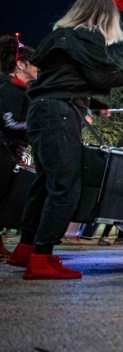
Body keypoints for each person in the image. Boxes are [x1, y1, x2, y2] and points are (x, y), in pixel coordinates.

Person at [6, 0, 123, 280]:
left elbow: (63, 82)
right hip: (58, 115)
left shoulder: (59, 38)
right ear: (104, 18)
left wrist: (94, 104)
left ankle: (26, 249)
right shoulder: (87, 37)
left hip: (42, 111)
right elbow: (104, 78)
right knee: (65, 186)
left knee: (45, 184)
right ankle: (42, 259)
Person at [0, 34, 37, 261]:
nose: (37, 68)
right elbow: (10, 121)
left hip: (10, 149)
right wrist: (38, 125)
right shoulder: (8, 89)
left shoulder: (21, 91)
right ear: (21, 65)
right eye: (33, 63)